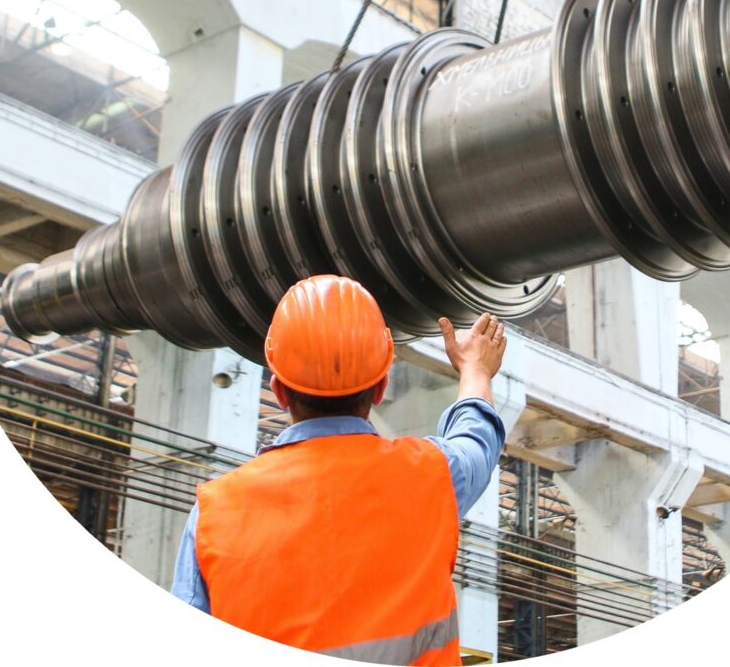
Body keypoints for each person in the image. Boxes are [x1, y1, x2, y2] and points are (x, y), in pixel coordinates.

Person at [171, 273, 508, 665]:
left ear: (278, 391)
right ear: (381, 387)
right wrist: (475, 370)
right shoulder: (432, 476)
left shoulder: (214, 514)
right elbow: (477, 440)